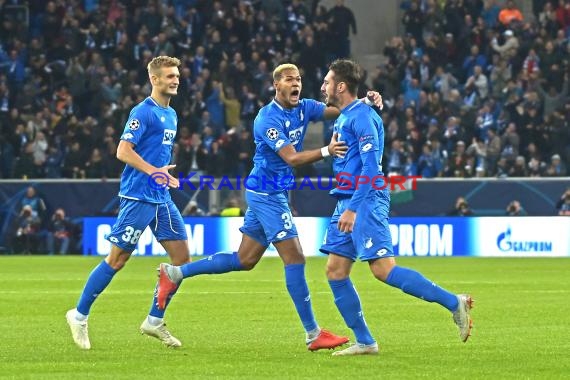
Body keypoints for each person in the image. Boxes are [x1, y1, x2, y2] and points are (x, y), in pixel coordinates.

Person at [156, 63, 382, 351]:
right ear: (276, 85)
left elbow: (337, 109)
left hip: (272, 192)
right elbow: (292, 158)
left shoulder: (304, 107)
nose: (296, 83)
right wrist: (327, 150)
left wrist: (364, 101)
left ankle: (175, 273)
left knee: (244, 259)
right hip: (266, 194)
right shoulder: (267, 119)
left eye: (299, 79)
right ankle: (313, 333)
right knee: (296, 258)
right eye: (289, 79)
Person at [318, 59, 473, 356]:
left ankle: (455, 303)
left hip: (363, 200)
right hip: (346, 199)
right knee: (335, 271)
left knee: (383, 270)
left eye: (327, 82)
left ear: (340, 86)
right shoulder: (347, 115)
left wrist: (353, 209)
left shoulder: (362, 118)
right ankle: (365, 341)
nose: (323, 86)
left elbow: (371, 168)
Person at [66, 56, 191, 350]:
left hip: (161, 198)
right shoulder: (143, 112)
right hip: (137, 196)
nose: (175, 80)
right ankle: (79, 315)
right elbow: (123, 151)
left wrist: (161, 175)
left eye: (177, 75)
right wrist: (153, 172)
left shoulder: (171, 115)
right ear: (155, 79)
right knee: (117, 260)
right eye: (170, 76)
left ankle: (154, 320)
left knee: (182, 261)